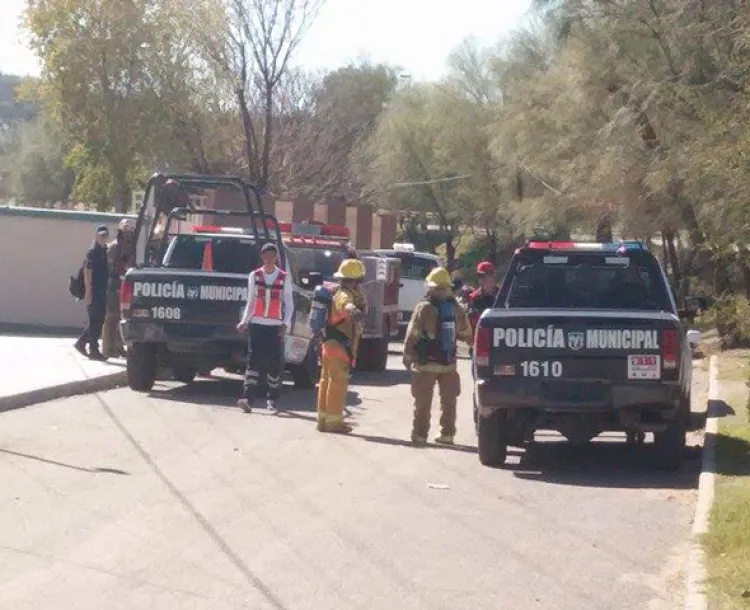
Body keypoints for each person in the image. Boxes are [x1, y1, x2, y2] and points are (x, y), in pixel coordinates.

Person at [403, 267, 473, 446]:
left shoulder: (423, 307)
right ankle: (447, 434)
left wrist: (407, 355)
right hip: (448, 364)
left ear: (431, 287)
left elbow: (413, 334)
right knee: (449, 402)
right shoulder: (456, 308)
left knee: (422, 402)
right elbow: (467, 334)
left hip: (425, 364)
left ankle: (419, 435)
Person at [236, 242, 294, 414]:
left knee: (273, 364)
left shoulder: (283, 277)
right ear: (262, 257)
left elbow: (289, 304)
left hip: (275, 326)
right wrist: (244, 321)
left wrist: (286, 324)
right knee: (253, 362)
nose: (269, 259)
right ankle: (247, 398)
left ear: (276, 258)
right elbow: (251, 302)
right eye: (266, 256)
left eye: (272, 256)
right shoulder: (254, 275)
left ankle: (272, 400)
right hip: (257, 325)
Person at [316, 258, 367, 434]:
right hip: (340, 346)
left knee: (326, 381)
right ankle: (333, 422)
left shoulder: (336, 291)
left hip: (329, 344)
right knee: (337, 383)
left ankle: (323, 420)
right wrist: (355, 311)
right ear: (356, 279)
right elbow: (346, 305)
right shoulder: (344, 294)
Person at [74, 225, 110, 361]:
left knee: (98, 320)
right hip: (94, 291)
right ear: (96, 236)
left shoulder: (103, 250)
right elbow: (87, 273)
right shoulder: (93, 252)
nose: (103, 238)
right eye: (101, 235)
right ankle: (93, 349)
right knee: (95, 320)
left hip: (101, 290)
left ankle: (82, 343)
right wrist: (88, 292)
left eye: (105, 236)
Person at [102, 218, 136, 358]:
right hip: (113, 283)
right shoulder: (114, 247)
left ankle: (118, 346)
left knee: (121, 317)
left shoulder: (130, 247)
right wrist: (122, 267)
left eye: (130, 232)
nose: (128, 235)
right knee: (111, 317)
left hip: (125, 283)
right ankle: (106, 348)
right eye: (125, 232)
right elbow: (110, 266)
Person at [467, 261, 499, 332]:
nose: (480, 279)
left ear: (493, 276)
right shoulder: (474, 297)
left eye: (482, 276)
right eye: (479, 276)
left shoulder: (502, 295)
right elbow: (471, 321)